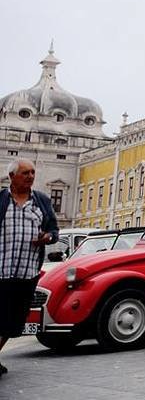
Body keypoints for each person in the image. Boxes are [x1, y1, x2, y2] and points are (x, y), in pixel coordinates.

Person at [0, 159, 59, 378]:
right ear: (12, 177)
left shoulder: (41, 201)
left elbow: (53, 230)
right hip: (1, 269)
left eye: (33, 172)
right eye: (25, 173)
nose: (31, 176)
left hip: (27, 272)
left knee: (14, 321)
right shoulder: (1, 200)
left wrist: (48, 237)